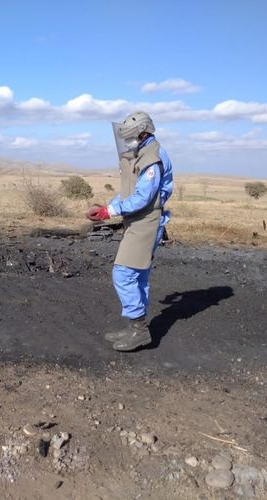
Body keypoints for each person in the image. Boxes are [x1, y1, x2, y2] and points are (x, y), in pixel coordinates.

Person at [86, 111, 173, 352]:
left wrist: (110, 212)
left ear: (143, 133)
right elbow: (130, 192)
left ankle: (139, 330)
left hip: (146, 221)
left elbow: (143, 197)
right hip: (138, 220)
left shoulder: (152, 158)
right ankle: (135, 328)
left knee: (123, 274)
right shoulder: (142, 153)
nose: (126, 141)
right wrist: (108, 206)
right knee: (138, 276)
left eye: (130, 137)